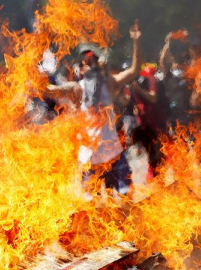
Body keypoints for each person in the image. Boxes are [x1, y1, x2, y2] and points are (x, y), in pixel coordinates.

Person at [47, 21, 141, 194]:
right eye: (86, 62)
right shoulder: (77, 88)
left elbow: (134, 70)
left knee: (124, 195)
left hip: (112, 152)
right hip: (89, 156)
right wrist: (34, 77)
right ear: (81, 69)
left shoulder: (110, 84)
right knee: (93, 205)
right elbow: (51, 90)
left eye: (93, 61)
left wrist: (136, 41)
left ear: (99, 64)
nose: (90, 64)